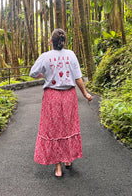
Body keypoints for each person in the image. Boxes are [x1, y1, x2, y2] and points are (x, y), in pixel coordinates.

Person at [29, 28, 93, 177]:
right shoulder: (70, 55)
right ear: (64, 42)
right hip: (69, 96)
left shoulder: (45, 56)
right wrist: (85, 93)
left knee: (53, 129)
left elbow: (32, 73)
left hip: (52, 97)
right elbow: (78, 78)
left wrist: (43, 74)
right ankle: (68, 159)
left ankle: (58, 168)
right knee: (68, 127)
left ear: (51, 41)